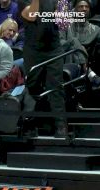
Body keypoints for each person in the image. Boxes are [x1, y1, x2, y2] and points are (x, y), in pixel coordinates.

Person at [21, 0, 67, 137]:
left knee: (56, 87)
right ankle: (30, 124)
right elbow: (32, 15)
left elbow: (63, 23)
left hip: (53, 49)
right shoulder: (23, 2)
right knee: (32, 86)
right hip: (33, 51)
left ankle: (61, 125)